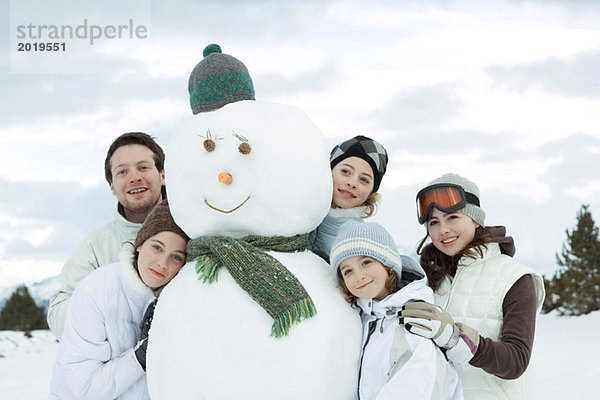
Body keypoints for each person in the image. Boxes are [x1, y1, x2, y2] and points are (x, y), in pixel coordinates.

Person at [400, 173, 545, 400]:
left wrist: (458, 340)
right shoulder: (424, 279)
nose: (443, 230)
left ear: (475, 219)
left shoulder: (515, 278)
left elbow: (516, 361)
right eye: (434, 222)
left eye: (452, 217)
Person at [49, 200, 189, 399]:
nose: (162, 263)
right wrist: (141, 356)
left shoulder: (176, 302)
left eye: (176, 257)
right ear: (140, 243)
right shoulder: (96, 290)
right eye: (157, 248)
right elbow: (86, 388)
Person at [47, 132, 166, 340]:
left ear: (163, 175)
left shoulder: (194, 229)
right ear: (112, 186)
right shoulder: (95, 248)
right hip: (117, 366)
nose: (134, 177)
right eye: (122, 172)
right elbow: (59, 315)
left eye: (143, 167)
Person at [330, 220, 463, 400]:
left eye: (366, 262)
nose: (358, 275)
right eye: (348, 271)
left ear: (388, 264)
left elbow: (413, 389)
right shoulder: (366, 317)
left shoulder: (414, 321)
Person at [309, 135, 387, 261]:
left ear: (371, 193)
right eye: (346, 172)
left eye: (364, 180)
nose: (352, 183)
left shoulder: (363, 244)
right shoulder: (302, 215)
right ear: (329, 172)